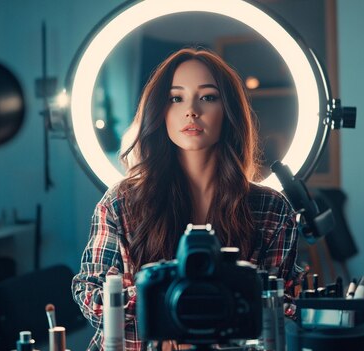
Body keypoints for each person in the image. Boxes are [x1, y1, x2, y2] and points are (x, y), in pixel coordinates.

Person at [72, 47, 303, 351]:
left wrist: (172, 296)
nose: (191, 111)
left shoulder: (271, 210)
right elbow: (94, 299)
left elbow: (284, 309)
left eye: (208, 97)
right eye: (176, 98)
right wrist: (193, 294)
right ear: (160, 111)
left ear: (229, 110)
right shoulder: (121, 203)